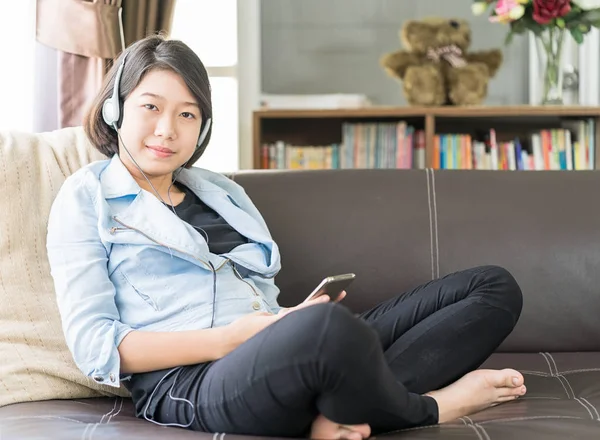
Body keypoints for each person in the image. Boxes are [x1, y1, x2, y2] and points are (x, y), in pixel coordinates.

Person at [46, 34, 526, 440]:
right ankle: (431, 408)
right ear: (115, 108)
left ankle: (337, 399)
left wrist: (288, 323)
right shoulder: (87, 196)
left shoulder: (220, 192)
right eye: (151, 107)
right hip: (192, 378)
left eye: (188, 115)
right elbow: (94, 346)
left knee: (493, 286)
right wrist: (229, 339)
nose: (167, 130)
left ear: (203, 125)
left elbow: (267, 306)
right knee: (333, 332)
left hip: (281, 350)